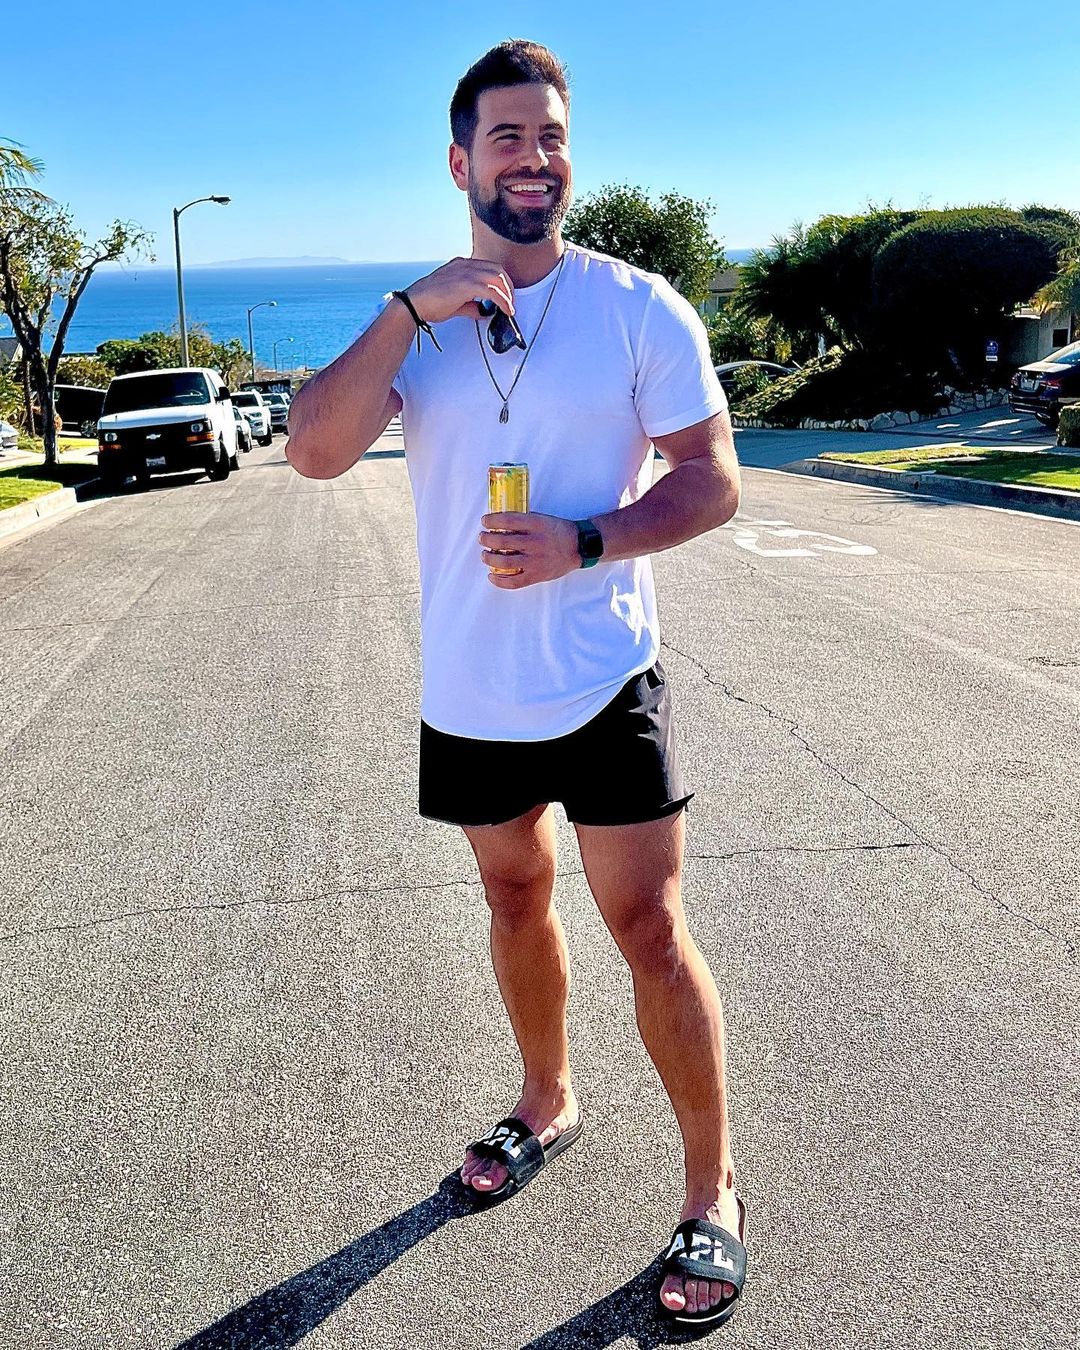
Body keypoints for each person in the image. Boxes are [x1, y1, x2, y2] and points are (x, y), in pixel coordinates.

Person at [286, 39, 746, 1327]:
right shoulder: (415, 327)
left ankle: (713, 1195)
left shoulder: (638, 307)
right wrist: (404, 311)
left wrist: (586, 541)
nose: (534, 159)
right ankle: (548, 1097)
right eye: (506, 138)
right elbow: (314, 454)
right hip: (472, 690)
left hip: (604, 677)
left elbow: (712, 482)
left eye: (551, 136)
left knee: (649, 929)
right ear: (458, 161)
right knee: (512, 892)